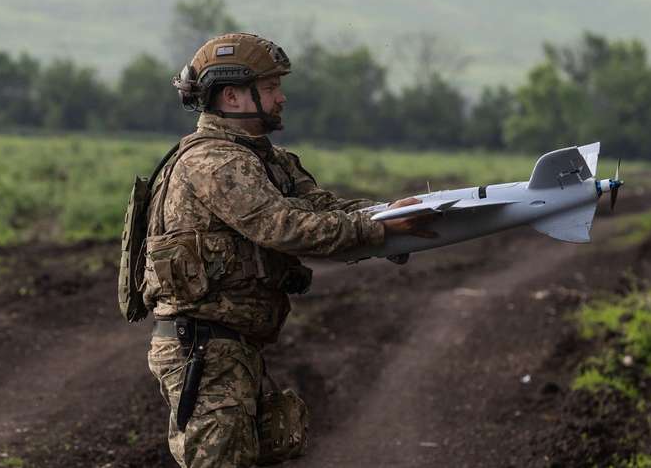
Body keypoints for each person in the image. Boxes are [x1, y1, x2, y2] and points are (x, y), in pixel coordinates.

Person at [143, 32, 433, 467]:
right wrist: (375, 229)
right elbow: (285, 227)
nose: (281, 97)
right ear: (234, 95)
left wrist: (388, 214)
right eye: (271, 87)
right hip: (205, 349)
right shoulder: (216, 162)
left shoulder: (263, 157)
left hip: (231, 347)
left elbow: (321, 208)